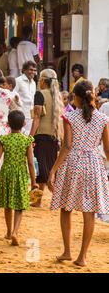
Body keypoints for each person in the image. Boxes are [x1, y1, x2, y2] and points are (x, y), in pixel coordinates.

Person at [48, 80, 109, 267]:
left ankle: (67, 251)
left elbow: (66, 146)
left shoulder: (70, 118)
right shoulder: (102, 119)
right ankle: (82, 257)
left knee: (66, 208)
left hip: (72, 164)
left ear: (75, 97)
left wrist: (53, 170)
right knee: (88, 211)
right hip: (93, 164)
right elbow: (107, 149)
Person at [0, 110, 37, 245]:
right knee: (19, 206)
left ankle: (8, 232)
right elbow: (30, 163)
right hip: (21, 174)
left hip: (6, 173)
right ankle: (15, 232)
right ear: (24, 124)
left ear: (8, 124)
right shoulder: (27, 141)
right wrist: (34, 182)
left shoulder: (4, 139)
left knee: (8, 204)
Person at [29, 69, 64, 207]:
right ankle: (39, 199)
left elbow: (37, 117)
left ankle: (39, 200)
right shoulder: (57, 96)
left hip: (41, 135)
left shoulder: (40, 94)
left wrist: (30, 137)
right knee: (47, 168)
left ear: (43, 81)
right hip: (53, 136)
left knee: (40, 169)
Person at [14, 61, 37, 135]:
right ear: (24, 70)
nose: (33, 72)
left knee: (27, 136)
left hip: (30, 115)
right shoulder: (18, 81)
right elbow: (12, 96)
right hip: (20, 114)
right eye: (31, 70)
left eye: (34, 70)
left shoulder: (33, 83)